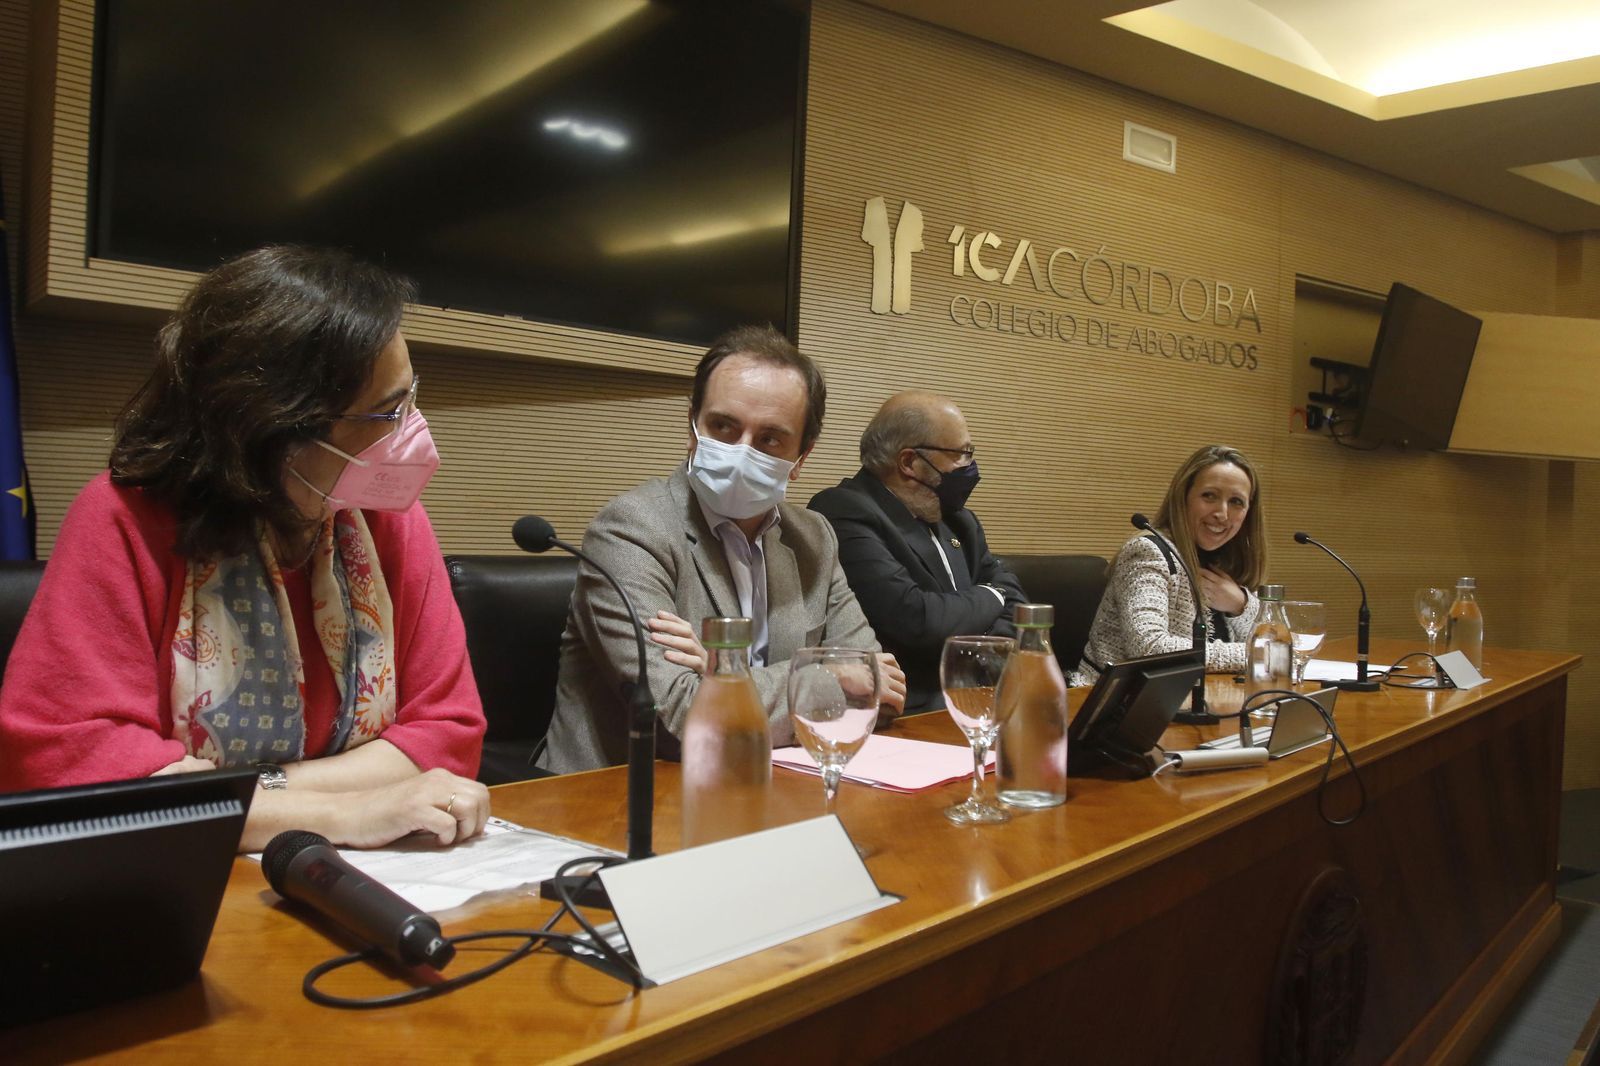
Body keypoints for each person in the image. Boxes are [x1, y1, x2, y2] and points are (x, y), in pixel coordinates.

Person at [0, 245, 490, 851]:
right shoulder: (123, 517)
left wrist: (244, 798)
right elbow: (68, 763)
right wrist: (345, 812)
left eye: (409, 396)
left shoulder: (386, 516)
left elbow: (448, 733)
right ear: (277, 427)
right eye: (389, 412)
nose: (411, 429)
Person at [539, 325, 906, 774]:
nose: (741, 451)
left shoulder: (814, 537)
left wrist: (719, 682)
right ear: (693, 428)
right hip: (619, 797)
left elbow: (878, 694)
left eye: (770, 438)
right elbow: (683, 718)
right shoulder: (631, 529)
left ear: (801, 459)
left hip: (773, 788)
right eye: (723, 427)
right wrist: (828, 676)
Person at [808, 391, 1026, 712]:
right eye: (961, 453)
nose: (970, 465)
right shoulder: (843, 510)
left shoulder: (960, 520)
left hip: (982, 696)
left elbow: (1017, 601)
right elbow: (916, 619)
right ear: (909, 462)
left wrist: (979, 656)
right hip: (909, 713)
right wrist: (992, 597)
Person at [1078, 444, 1267, 684]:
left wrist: (1240, 604)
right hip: (1119, 704)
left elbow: (1274, 640)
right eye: (1209, 496)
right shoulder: (1149, 552)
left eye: (1236, 502)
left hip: (1200, 698)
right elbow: (1148, 647)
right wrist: (1251, 654)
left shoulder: (1226, 561)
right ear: (1183, 497)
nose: (1222, 513)